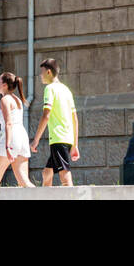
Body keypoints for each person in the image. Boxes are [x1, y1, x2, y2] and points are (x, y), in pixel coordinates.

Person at [30, 58, 79, 186]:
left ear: (48, 72)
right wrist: (75, 144)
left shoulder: (50, 89)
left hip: (58, 138)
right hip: (66, 138)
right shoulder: (66, 90)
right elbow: (75, 119)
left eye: (41, 72)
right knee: (47, 173)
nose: (40, 75)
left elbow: (46, 115)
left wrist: (36, 140)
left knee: (65, 177)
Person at [0, 72, 34, 188]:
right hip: (22, 136)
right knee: (24, 181)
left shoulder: (5, 100)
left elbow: (8, 123)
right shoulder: (17, 100)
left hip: (10, 137)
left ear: (4, 85)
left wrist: (7, 146)